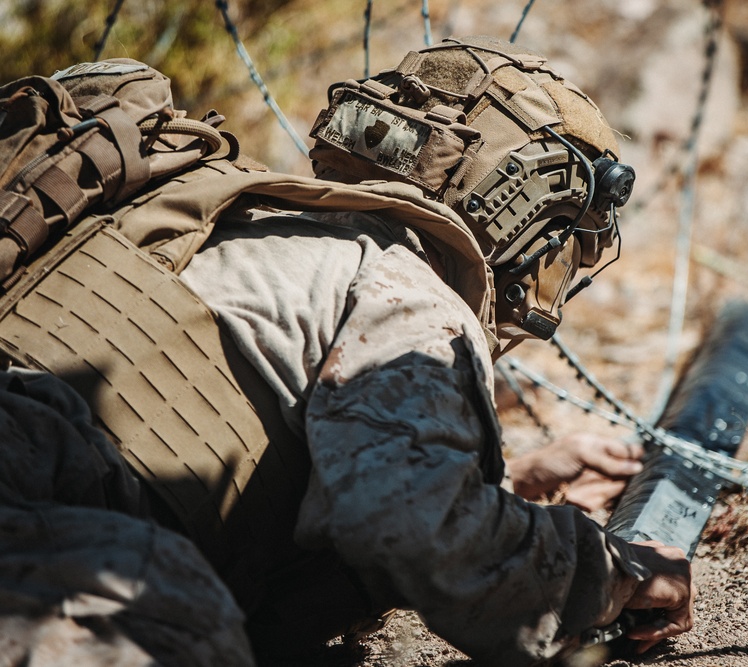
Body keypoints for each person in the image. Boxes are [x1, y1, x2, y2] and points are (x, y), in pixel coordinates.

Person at [0, 36, 693, 666]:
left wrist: (503, 489)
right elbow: (414, 527)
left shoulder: (238, 211)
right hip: (39, 491)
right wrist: (610, 572)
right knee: (169, 617)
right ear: (526, 220)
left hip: (38, 482)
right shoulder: (408, 288)